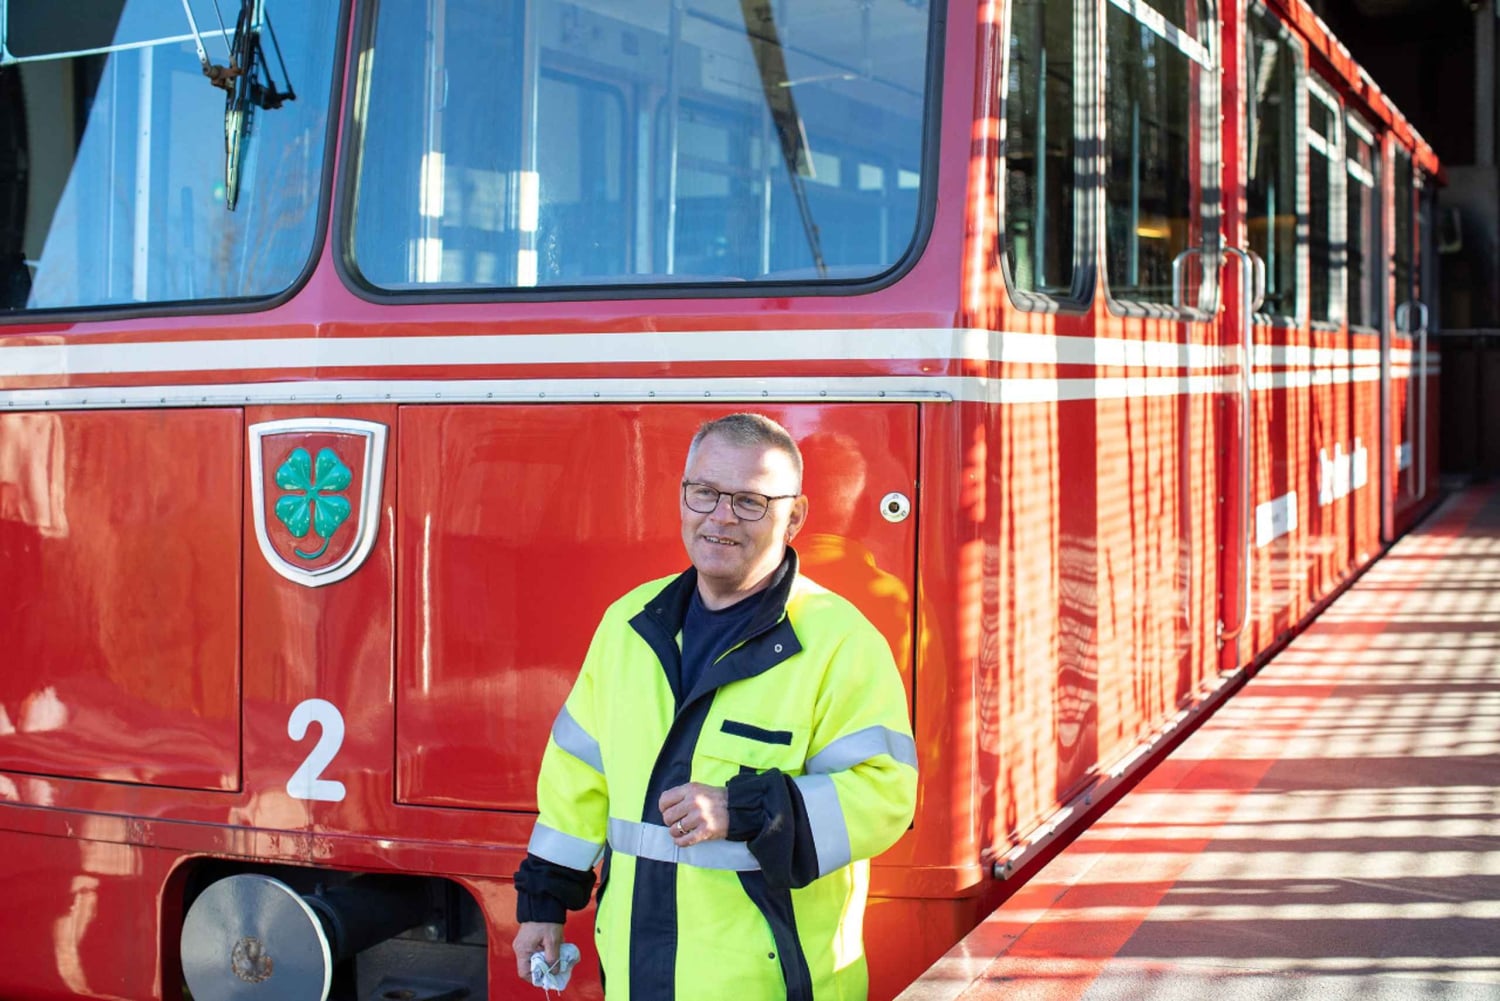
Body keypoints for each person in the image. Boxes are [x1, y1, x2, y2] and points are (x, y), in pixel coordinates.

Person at [511, 412, 918, 1000]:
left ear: (795, 516)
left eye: (751, 501)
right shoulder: (628, 625)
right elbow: (579, 779)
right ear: (683, 497)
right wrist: (543, 903)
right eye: (704, 492)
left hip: (774, 987)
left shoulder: (840, 642)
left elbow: (885, 797)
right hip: (636, 978)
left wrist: (746, 809)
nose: (720, 517)